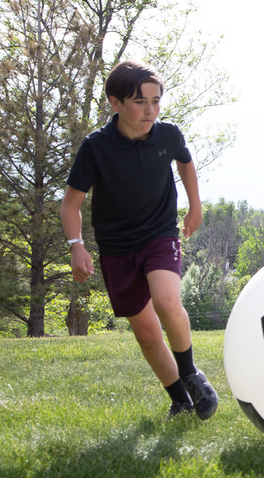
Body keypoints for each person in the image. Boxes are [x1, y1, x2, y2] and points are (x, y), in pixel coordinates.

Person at [60, 60, 219, 420]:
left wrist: (196, 207)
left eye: (156, 101)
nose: (150, 111)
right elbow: (71, 203)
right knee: (146, 332)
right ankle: (180, 400)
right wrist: (76, 244)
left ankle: (191, 374)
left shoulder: (167, 134)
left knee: (165, 300)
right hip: (117, 248)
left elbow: (186, 163)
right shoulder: (96, 147)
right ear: (115, 103)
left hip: (160, 233)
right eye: (140, 102)